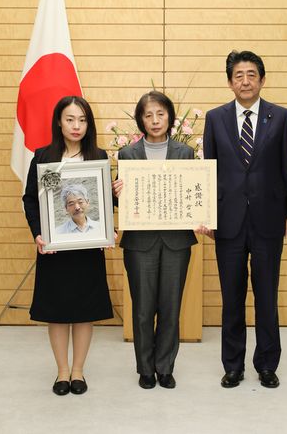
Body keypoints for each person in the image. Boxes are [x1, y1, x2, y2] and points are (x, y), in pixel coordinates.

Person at [201, 51, 287, 389]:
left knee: (267, 296)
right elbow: (208, 172)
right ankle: (233, 366)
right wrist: (208, 216)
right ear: (230, 82)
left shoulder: (281, 117)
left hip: (269, 219)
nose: (245, 81)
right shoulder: (215, 119)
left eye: (251, 74)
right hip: (227, 221)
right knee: (232, 297)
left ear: (262, 79)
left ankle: (267, 364)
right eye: (238, 75)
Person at [23, 96, 113, 396]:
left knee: (85, 311)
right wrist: (38, 233)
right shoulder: (44, 156)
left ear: (89, 124)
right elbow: (31, 200)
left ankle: (78, 371)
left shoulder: (97, 156)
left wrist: (114, 194)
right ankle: (62, 371)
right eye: (70, 119)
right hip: (55, 248)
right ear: (59, 122)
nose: (77, 126)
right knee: (58, 311)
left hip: (88, 249)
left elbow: (102, 203)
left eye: (83, 120)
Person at [112, 91, 197, 390]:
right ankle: (145, 368)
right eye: (148, 115)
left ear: (170, 117)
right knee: (143, 308)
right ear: (141, 120)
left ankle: (166, 367)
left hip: (176, 242)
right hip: (140, 243)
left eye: (160, 113)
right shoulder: (128, 154)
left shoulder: (185, 154)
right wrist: (116, 193)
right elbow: (125, 204)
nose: (155, 120)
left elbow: (193, 196)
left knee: (171, 306)